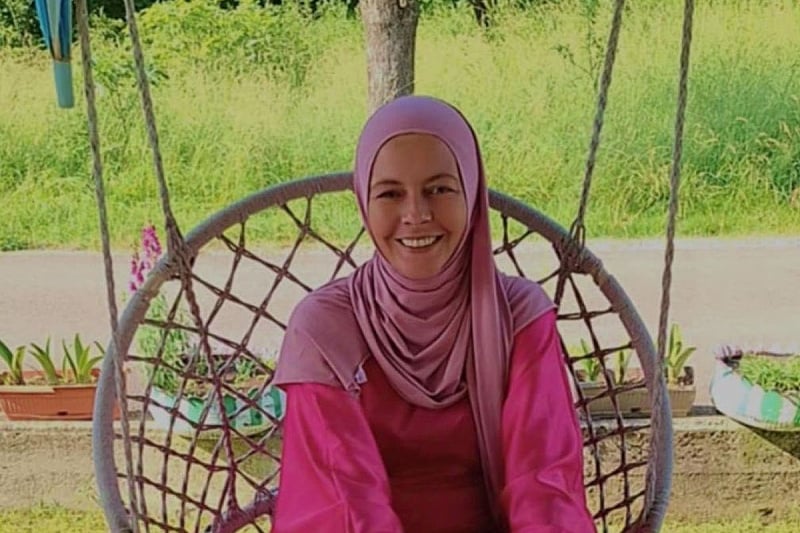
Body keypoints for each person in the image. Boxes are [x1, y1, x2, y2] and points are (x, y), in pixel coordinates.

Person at [271, 95, 595, 533]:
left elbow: (543, 486)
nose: (416, 214)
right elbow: (344, 504)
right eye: (390, 194)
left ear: (472, 194)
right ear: (364, 202)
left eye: (439, 189)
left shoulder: (519, 317)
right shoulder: (325, 332)